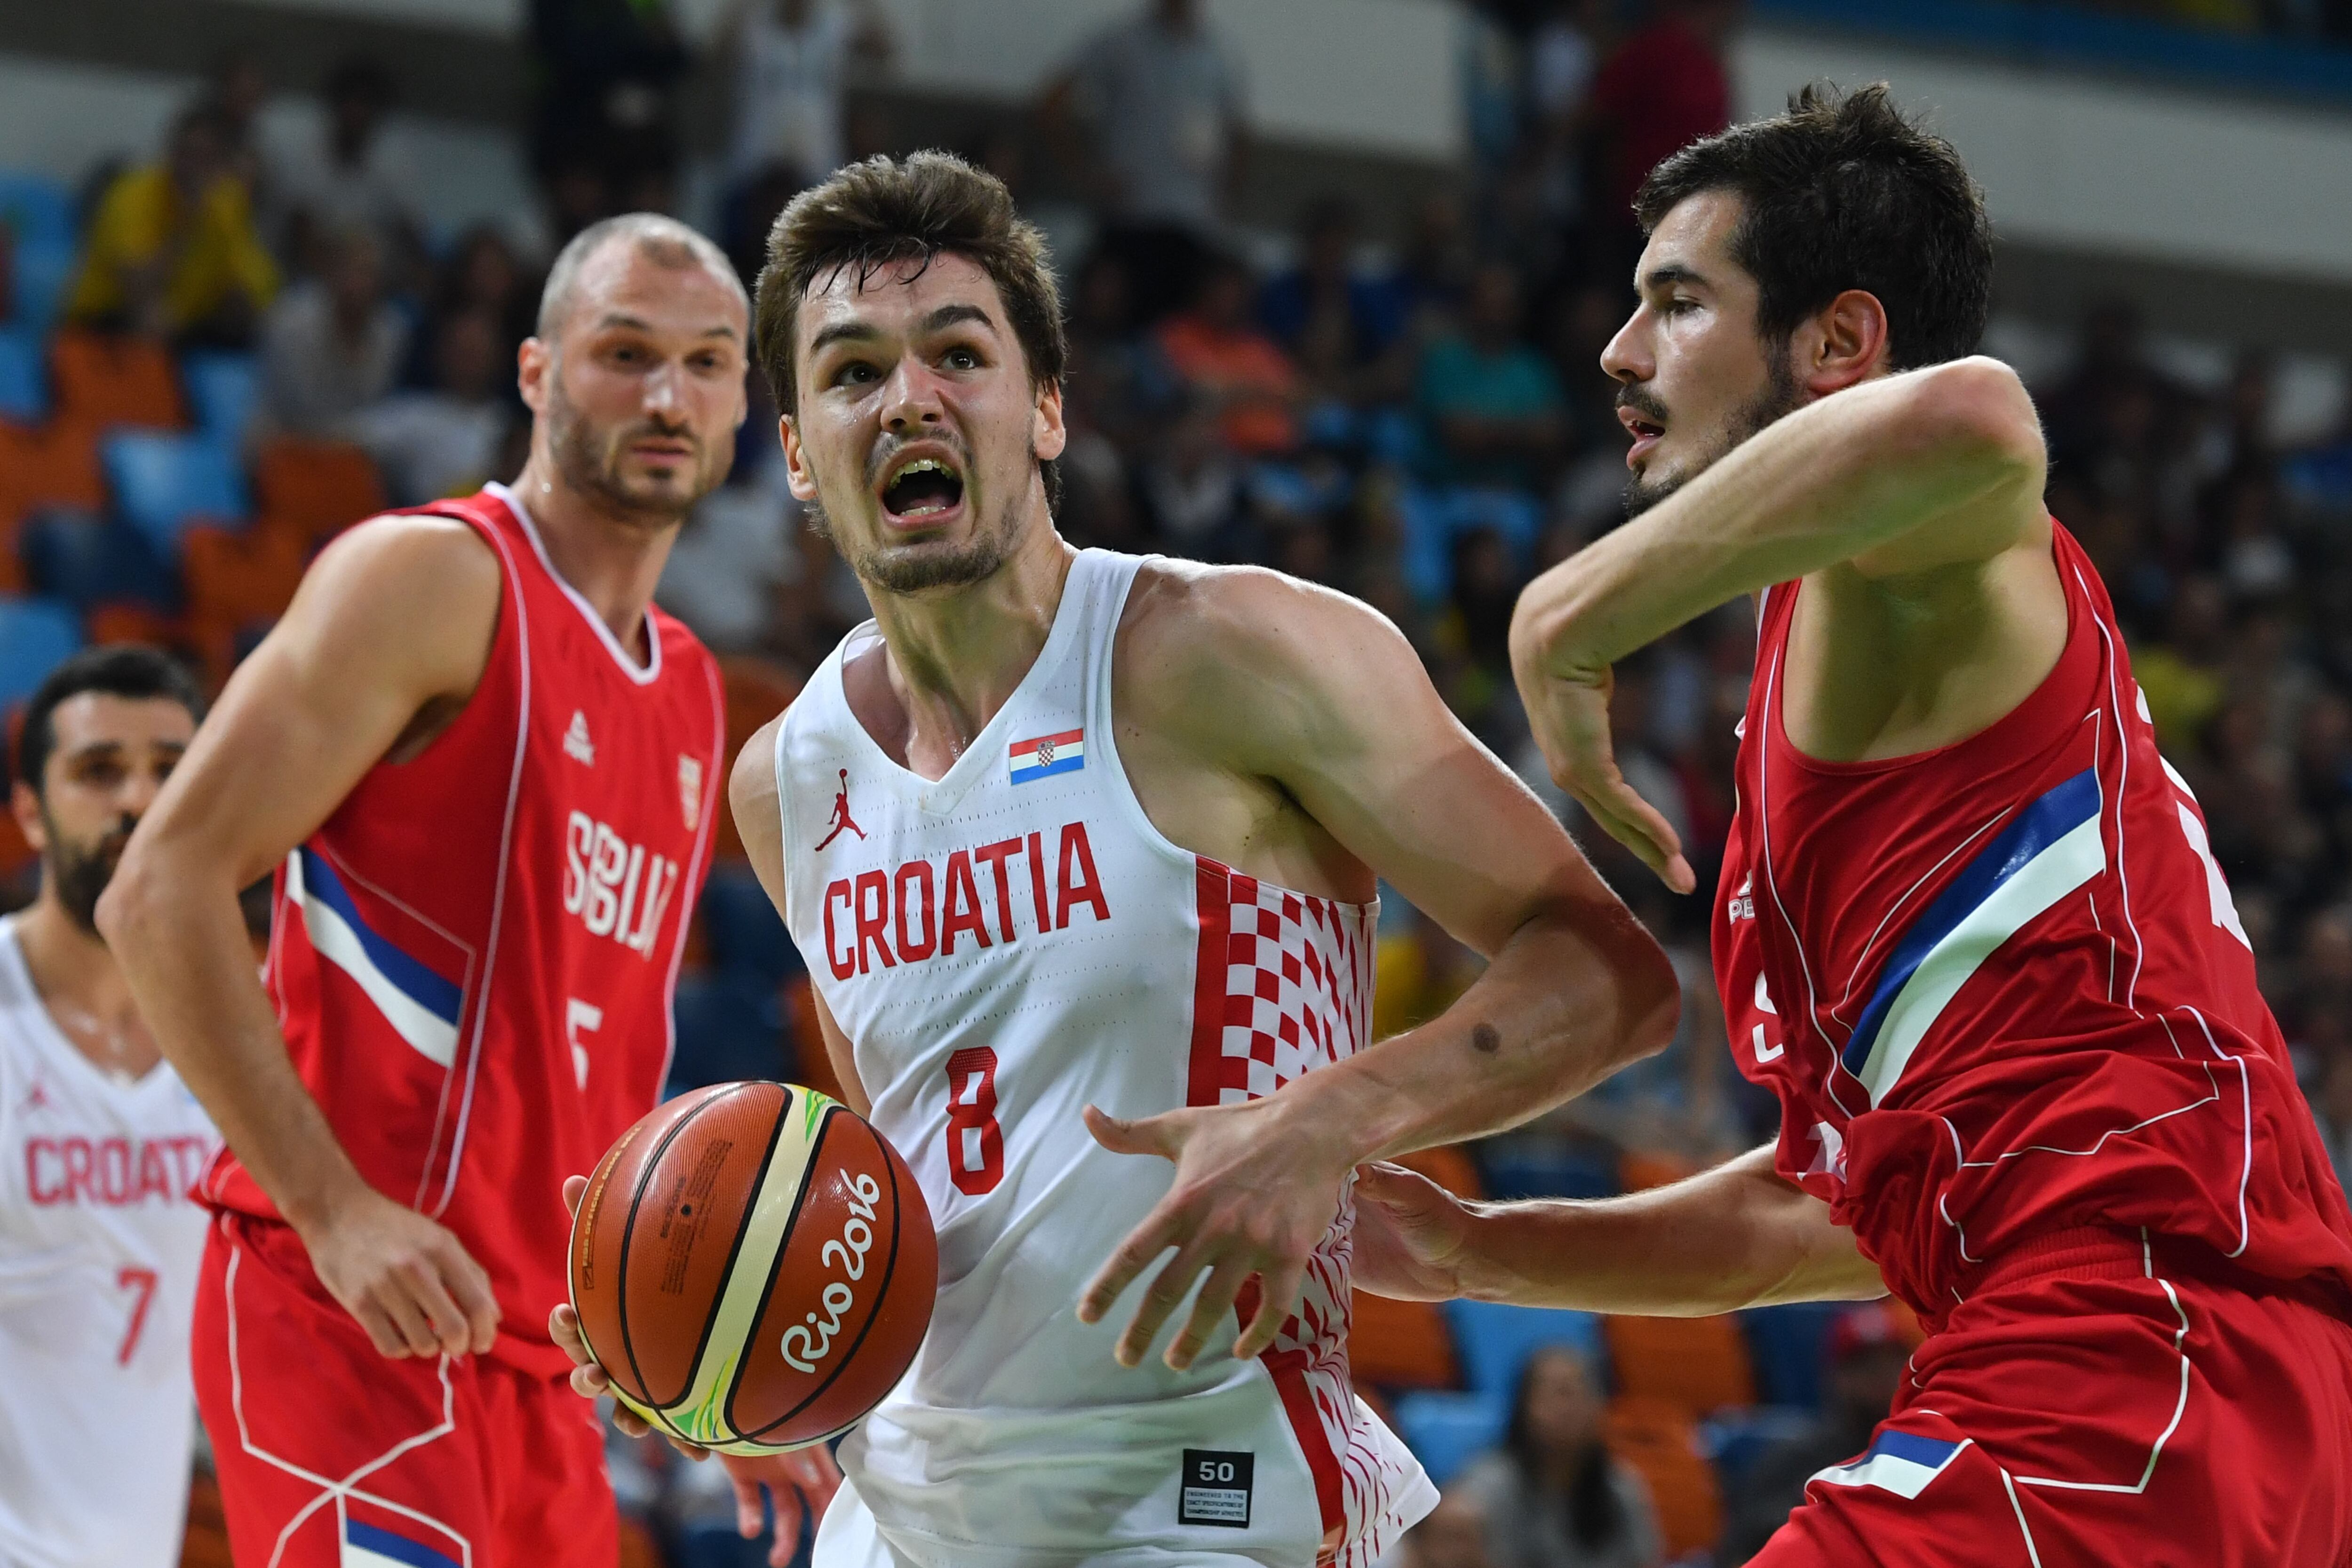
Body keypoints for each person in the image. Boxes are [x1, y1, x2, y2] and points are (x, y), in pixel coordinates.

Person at [554, 151, 1680, 1566]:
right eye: (848, 372)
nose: (906, 396)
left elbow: (1615, 976)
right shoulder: (787, 778)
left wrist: (1334, 1116)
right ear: (793, 453)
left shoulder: (1229, 651)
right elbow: (904, 1151)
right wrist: (731, 1326)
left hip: (1201, 1479)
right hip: (908, 1500)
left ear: (1045, 411)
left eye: (957, 352)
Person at [1348, 84, 2352, 1566]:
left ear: (1839, 344)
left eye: (1677, 304)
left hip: (2128, 1353)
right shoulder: (1834, 672)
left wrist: (1562, 609)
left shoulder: (1921, 568)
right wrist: (1479, 1249)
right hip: (2189, 1388)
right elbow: (1829, 1208)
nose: (1619, 354)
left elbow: (1977, 414)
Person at [97, 214, 834, 1568]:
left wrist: (682, 1353)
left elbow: (592, 1070)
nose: (666, 395)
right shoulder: (431, 579)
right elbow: (159, 887)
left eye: (705, 363)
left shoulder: (687, 693)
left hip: (542, 1374)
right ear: (538, 372)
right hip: (349, 1322)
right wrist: (329, 1208)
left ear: (745, 402)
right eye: (625, 353)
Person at [0, 647, 215, 1568]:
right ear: (28, 815)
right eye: (98, 771)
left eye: (172, 771)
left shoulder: (245, 1040)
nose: (138, 798)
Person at [1041, 0, 1250, 325]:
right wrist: (1088, 175)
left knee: (1178, 342)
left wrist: (1222, 201)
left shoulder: (1218, 54)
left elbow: (1237, 134)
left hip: (1192, 228)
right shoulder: (1121, 43)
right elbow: (1052, 104)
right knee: (1122, 330)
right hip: (1133, 220)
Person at [67, 102, 279, 345]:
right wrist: (186, 226)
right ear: (171, 150)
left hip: (180, 324)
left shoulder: (227, 204)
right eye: (189, 153)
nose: (194, 168)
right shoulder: (134, 193)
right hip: (106, 320)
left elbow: (256, 280)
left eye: (208, 159)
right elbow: (136, 287)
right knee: (150, 324)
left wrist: (246, 299)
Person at [1720, 1303, 1914, 1560]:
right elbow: (1743, 1544)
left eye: (1891, 1365)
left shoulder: (1923, 1453)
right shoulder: (1795, 1460)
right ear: (1838, 1375)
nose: (1881, 1379)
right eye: (1866, 1367)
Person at [1456, 1345, 1661, 1568]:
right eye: (1557, 1393)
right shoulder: (1487, 1487)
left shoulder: (1623, 1489)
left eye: (1580, 1393)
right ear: (1524, 1405)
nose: (1567, 1408)